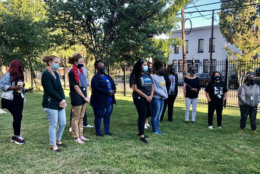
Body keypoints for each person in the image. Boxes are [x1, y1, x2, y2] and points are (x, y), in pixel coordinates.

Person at [0, 60, 33, 145]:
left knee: (18, 117)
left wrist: (27, 90)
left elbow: (19, 89)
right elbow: (2, 85)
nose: (22, 69)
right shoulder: (7, 75)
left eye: (22, 68)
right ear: (15, 67)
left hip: (19, 99)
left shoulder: (19, 76)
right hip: (9, 99)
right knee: (18, 115)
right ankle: (17, 136)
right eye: (20, 68)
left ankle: (16, 136)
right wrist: (13, 87)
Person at [41, 55, 67, 152]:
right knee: (53, 124)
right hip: (50, 103)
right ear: (50, 63)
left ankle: (58, 140)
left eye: (57, 62)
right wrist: (60, 100)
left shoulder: (56, 74)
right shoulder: (46, 74)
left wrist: (63, 99)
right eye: (56, 62)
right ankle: (53, 145)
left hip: (59, 102)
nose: (57, 64)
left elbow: (60, 88)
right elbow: (50, 90)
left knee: (63, 123)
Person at [130, 59, 154, 143]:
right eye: (144, 65)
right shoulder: (135, 75)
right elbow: (134, 88)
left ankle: (140, 130)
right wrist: (145, 96)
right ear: (139, 65)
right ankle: (141, 135)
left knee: (148, 113)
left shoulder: (147, 74)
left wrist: (150, 95)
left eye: (146, 65)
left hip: (148, 97)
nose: (146, 66)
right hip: (139, 98)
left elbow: (152, 85)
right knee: (142, 115)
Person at [90, 60, 116, 136]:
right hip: (99, 101)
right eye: (101, 66)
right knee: (99, 116)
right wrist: (108, 92)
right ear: (97, 68)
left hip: (109, 100)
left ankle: (106, 130)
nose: (103, 68)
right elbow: (96, 88)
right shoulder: (95, 78)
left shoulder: (108, 77)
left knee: (107, 116)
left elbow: (113, 84)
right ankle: (98, 132)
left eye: (103, 66)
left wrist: (114, 90)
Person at [68, 56, 93, 133]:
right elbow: (75, 86)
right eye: (81, 62)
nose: (82, 64)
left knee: (81, 117)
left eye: (83, 62)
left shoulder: (83, 70)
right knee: (76, 117)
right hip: (76, 95)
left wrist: (87, 96)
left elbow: (86, 84)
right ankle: (76, 136)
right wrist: (83, 96)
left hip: (84, 93)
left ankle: (81, 135)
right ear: (75, 62)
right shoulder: (72, 72)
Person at [151, 60, 168, 134]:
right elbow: (155, 89)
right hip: (156, 98)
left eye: (163, 69)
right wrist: (164, 95)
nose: (162, 70)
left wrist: (166, 95)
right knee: (155, 115)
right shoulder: (153, 77)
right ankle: (154, 130)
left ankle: (157, 129)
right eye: (161, 69)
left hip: (162, 99)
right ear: (157, 70)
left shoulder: (162, 77)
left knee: (159, 115)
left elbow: (164, 87)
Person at [145, 61, 153, 129]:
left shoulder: (150, 75)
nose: (150, 68)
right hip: (145, 94)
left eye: (151, 67)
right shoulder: (144, 75)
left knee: (149, 110)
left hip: (150, 94)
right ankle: (144, 122)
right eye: (149, 66)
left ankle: (146, 122)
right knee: (145, 110)